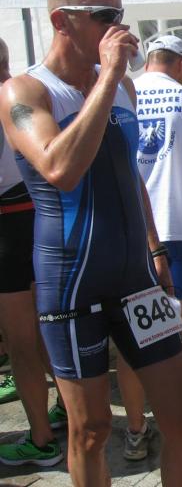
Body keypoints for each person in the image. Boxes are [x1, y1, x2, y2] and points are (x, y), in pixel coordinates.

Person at [0, 0, 182, 486]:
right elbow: (59, 169)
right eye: (106, 15)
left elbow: (131, 176)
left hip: (135, 278)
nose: (120, 29)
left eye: (122, 15)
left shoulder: (125, 86)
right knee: (90, 431)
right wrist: (107, 76)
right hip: (71, 281)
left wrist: (155, 249)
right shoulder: (26, 91)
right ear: (61, 21)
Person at [111, 35, 182, 462]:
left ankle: (136, 430)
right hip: (180, 229)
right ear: (181, 65)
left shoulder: (121, 93)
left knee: (134, 333)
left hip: (131, 233)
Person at [0, 37, 63, 467]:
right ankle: (68, 411)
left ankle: (41, 439)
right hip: (40, 216)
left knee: (22, 342)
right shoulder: (28, 91)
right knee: (47, 330)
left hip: (10, 225)